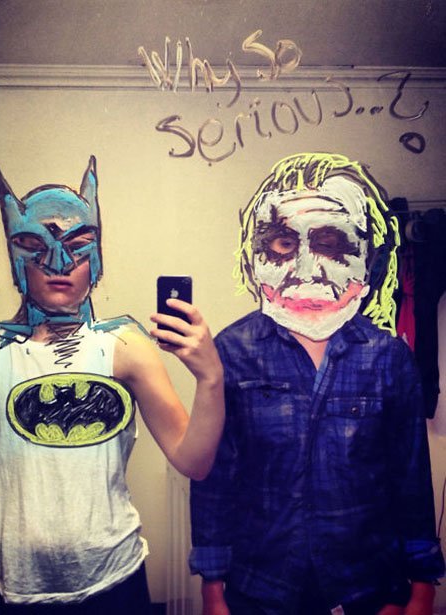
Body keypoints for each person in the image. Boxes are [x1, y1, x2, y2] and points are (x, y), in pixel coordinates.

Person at [0, 155, 224, 615]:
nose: (59, 262)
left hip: (112, 582)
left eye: (78, 244)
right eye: (34, 244)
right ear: (14, 255)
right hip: (5, 585)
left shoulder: (125, 347)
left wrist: (211, 378)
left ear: (97, 256)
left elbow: (195, 462)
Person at [190, 152, 445, 615]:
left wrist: (422, 586)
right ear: (254, 258)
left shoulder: (389, 357)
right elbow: (216, 478)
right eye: (283, 243)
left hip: (367, 587)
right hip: (260, 588)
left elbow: (409, 478)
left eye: (330, 244)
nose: (306, 268)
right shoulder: (231, 351)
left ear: (367, 260)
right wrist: (212, 589)